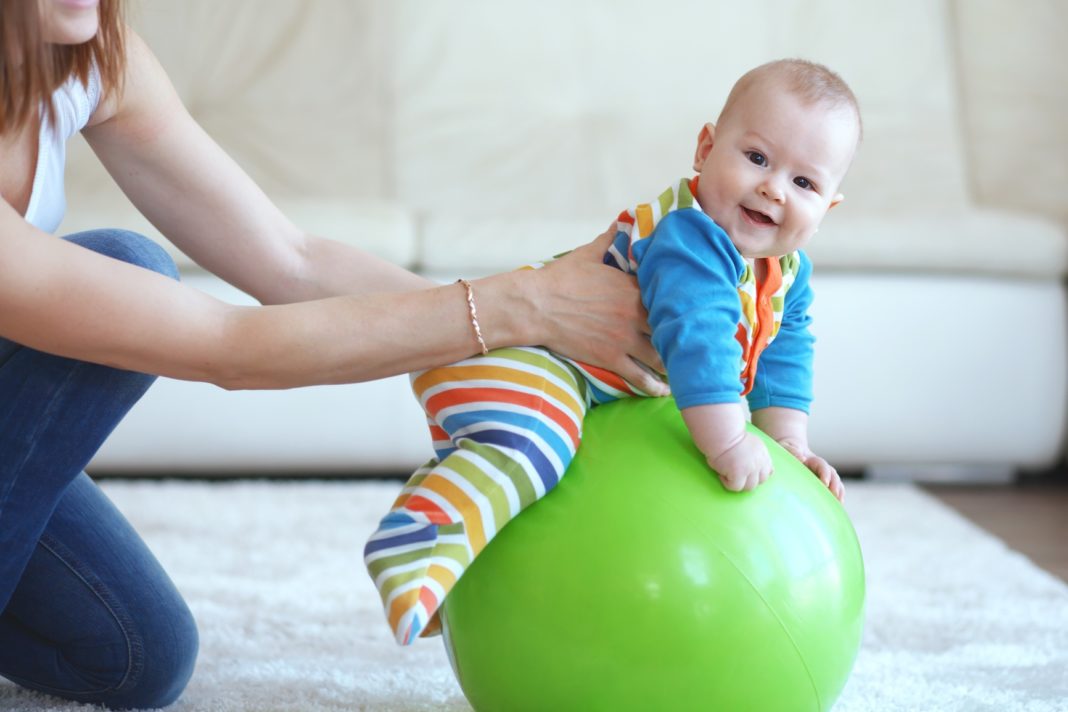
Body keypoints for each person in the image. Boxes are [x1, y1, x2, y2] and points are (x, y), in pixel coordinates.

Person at [0, 2, 664, 709]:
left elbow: (292, 261)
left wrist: (538, 335)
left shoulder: (94, 57)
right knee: (131, 264)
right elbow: (227, 346)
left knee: (138, 653)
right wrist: (520, 305)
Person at [364, 58, 861, 645]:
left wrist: (789, 441)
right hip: (528, 355)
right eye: (757, 157)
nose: (773, 188)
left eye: (804, 184)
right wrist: (729, 440)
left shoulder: (785, 271)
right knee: (530, 449)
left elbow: (783, 352)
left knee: (511, 473)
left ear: (827, 208)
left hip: (573, 380)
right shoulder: (691, 238)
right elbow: (699, 343)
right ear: (705, 150)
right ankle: (414, 547)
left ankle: (460, 569)